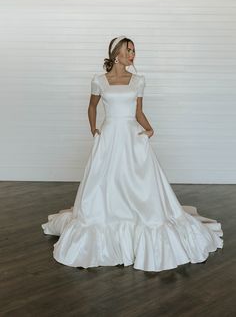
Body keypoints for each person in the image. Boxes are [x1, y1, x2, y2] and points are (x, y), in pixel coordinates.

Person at [41, 35, 223, 272]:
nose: (133, 54)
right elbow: (92, 106)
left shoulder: (138, 80)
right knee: (105, 183)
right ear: (117, 53)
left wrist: (149, 129)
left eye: (134, 51)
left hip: (131, 136)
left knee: (137, 184)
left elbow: (138, 112)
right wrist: (94, 130)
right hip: (108, 137)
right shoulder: (99, 80)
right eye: (129, 50)